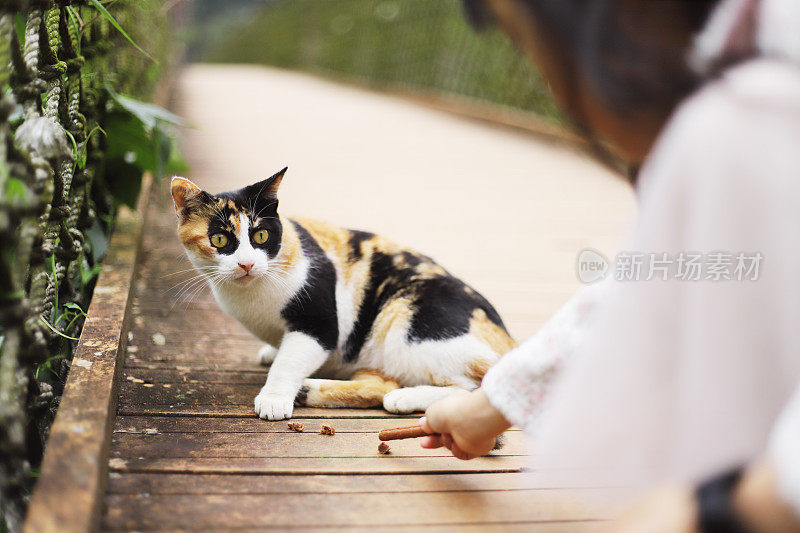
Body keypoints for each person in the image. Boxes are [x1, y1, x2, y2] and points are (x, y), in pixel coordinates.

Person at [419, 0, 800, 530]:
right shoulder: (753, 90)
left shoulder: (746, 121)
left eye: (528, 46)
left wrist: (737, 507)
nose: (552, 88)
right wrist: (493, 405)